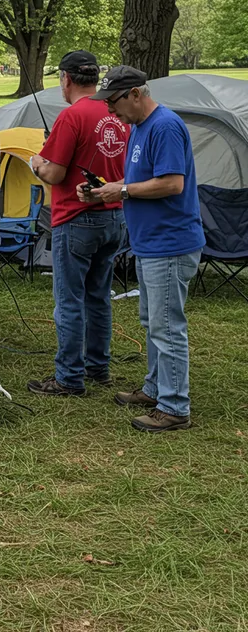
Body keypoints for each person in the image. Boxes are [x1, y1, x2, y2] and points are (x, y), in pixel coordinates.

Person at [78, 66, 204, 432]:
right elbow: (137, 180)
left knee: (166, 327)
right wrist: (106, 188)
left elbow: (171, 184)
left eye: (114, 102)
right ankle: (155, 389)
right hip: (151, 243)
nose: (110, 111)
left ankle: (175, 407)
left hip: (170, 243)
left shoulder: (164, 126)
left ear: (135, 94)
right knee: (153, 322)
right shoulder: (137, 127)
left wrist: (122, 191)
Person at [27, 51, 128, 397]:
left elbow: (54, 173)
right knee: (98, 296)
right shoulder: (117, 113)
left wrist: (36, 163)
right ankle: (97, 365)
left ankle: (69, 377)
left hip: (76, 218)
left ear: (66, 79)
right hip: (114, 216)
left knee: (69, 300)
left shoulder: (72, 117)